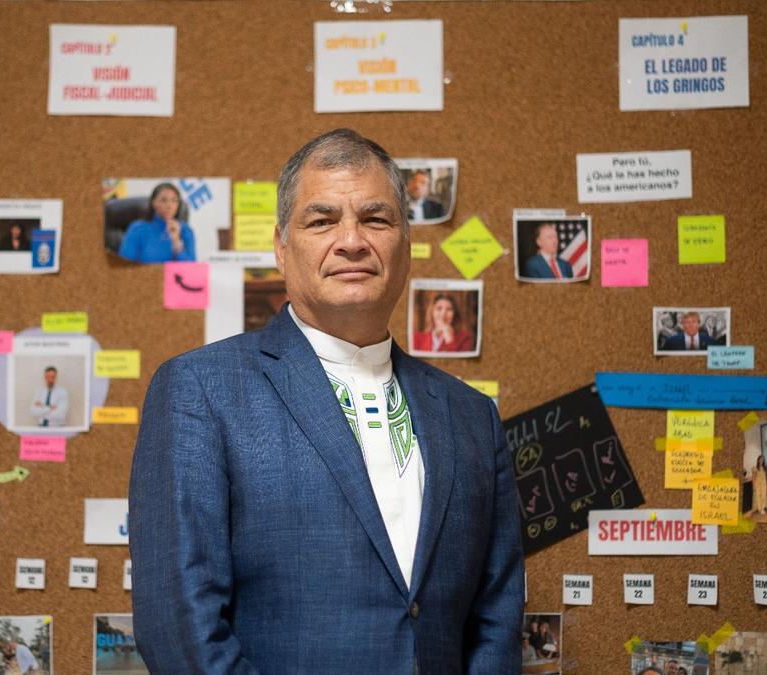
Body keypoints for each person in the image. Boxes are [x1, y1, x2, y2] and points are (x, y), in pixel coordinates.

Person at [129, 128, 524, 672]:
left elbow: (497, 618)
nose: (352, 240)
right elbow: (180, 629)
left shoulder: (471, 415)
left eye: (376, 218)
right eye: (321, 220)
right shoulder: (200, 390)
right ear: (281, 247)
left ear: (406, 247)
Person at [118, 183, 196, 263]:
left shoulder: (186, 230)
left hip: (175, 275)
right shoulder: (138, 229)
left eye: (174, 200)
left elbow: (190, 270)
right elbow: (124, 265)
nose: (169, 205)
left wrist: (176, 242)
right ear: (154, 203)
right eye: (163, 200)